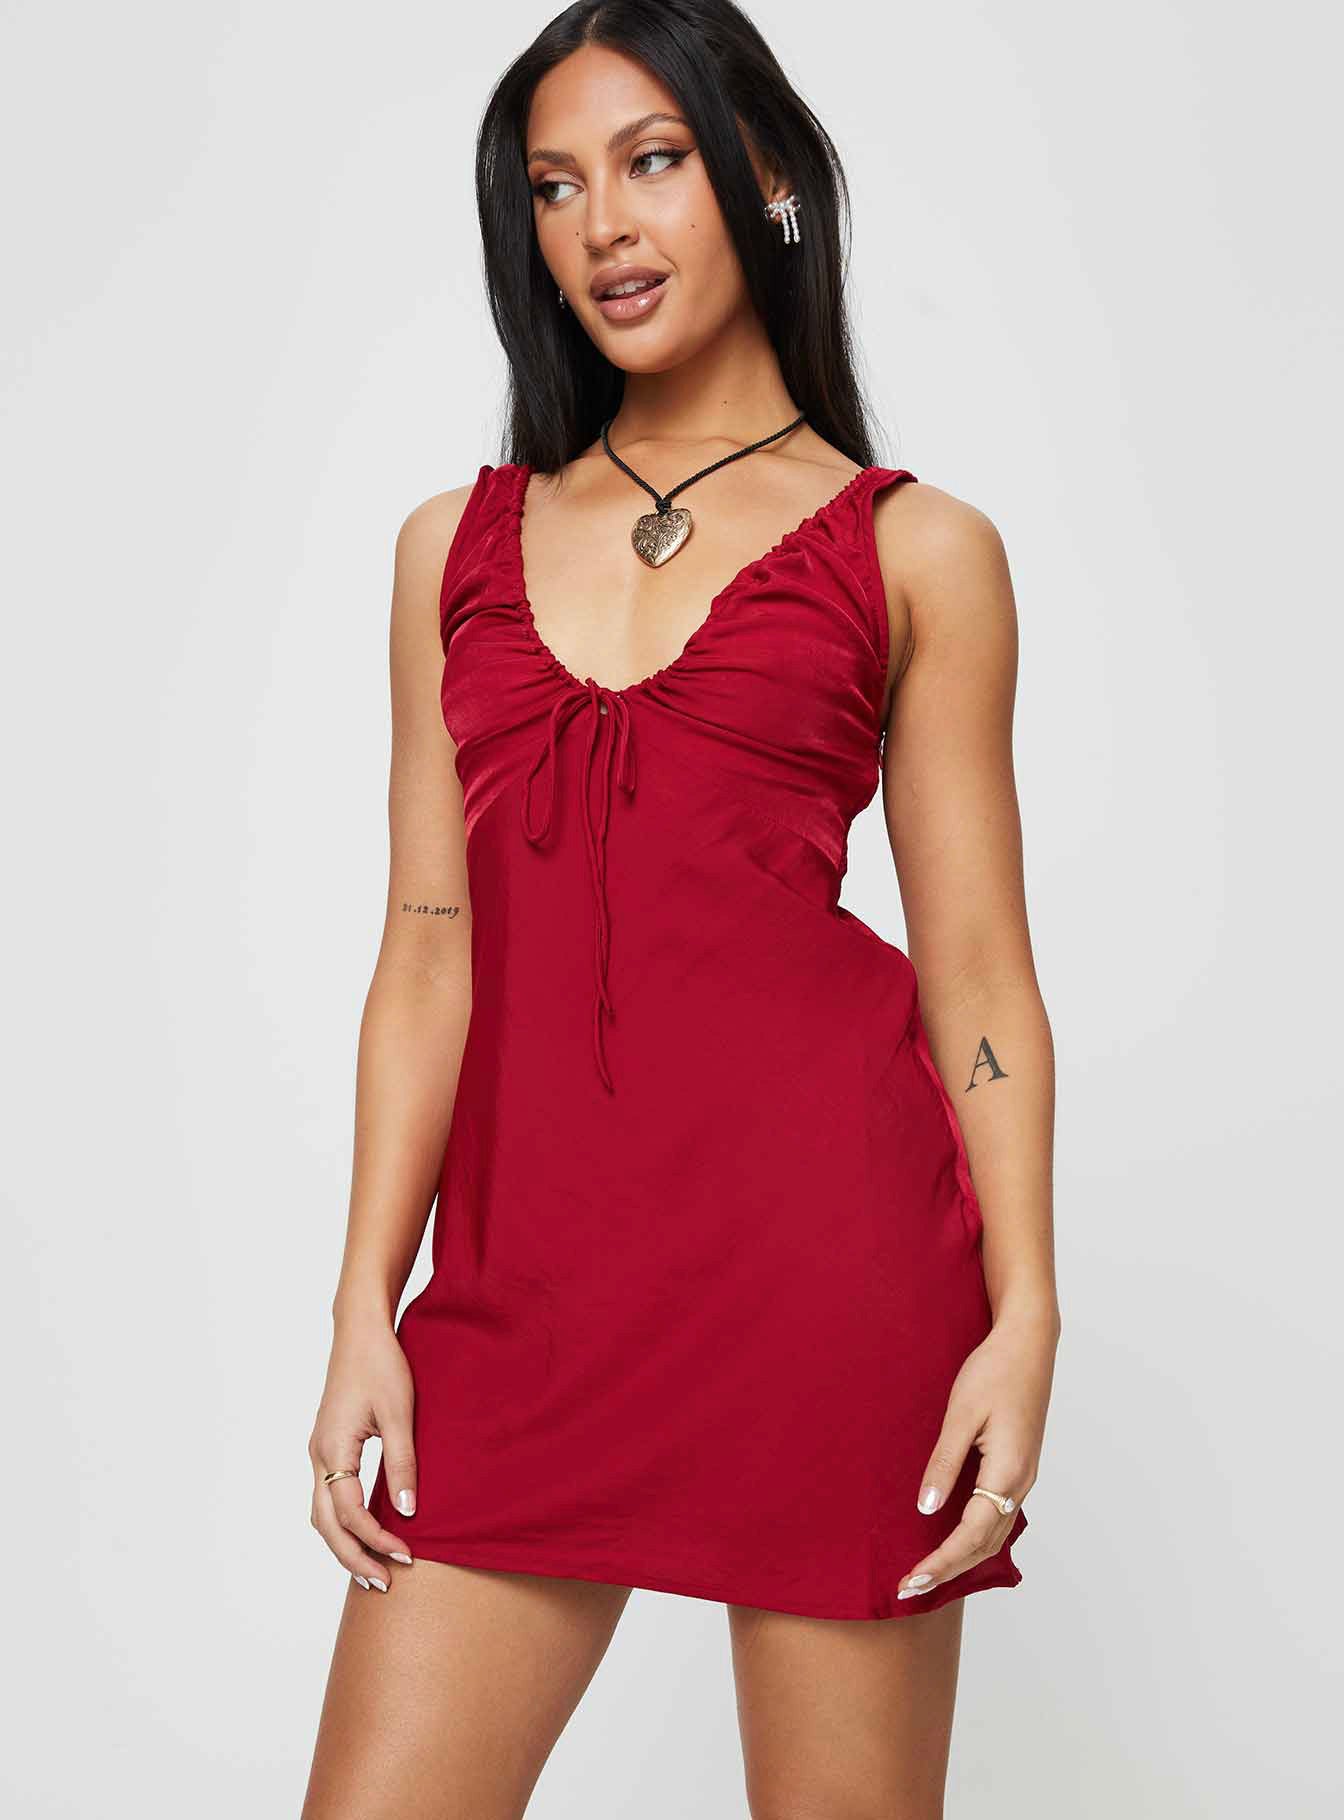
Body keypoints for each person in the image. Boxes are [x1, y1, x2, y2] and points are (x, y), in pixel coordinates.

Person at [302, 2, 1060, 1814]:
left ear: (765, 178)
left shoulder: (918, 550)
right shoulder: (451, 547)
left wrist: (1026, 1311)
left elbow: (976, 977)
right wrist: (364, 1304)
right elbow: (427, 952)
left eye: (652, 163)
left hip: (831, 1290)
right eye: (556, 185)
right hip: (525, 1306)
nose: (604, 227)